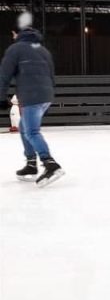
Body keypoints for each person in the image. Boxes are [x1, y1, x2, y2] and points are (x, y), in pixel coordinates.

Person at [0, 25, 65, 186]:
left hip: (31, 96)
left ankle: (50, 164)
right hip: (45, 96)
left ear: (17, 34)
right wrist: (48, 100)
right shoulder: (43, 50)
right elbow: (51, 76)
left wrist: (1, 97)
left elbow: (4, 75)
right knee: (24, 127)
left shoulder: (15, 49)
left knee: (31, 131)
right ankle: (31, 164)